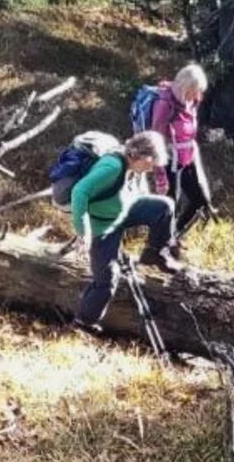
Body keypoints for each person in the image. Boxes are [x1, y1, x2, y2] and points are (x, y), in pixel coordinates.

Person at [72, 131, 183, 328]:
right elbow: (79, 192)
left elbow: (136, 194)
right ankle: (83, 323)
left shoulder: (133, 167)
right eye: (150, 163)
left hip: (122, 213)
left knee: (164, 206)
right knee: (107, 279)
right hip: (103, 226)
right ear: (140, 156)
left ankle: (154, 254)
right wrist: (84, 232)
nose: (151, 169)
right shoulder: (112, 166)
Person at [151, 63, 212, 259]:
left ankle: (173, 238)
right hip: (169, 161)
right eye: (196, 91)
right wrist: (160, 177)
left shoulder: (191, 102)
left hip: (186, 159)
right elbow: (156, 141)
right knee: (169, 206)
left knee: (199, 200)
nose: (199, 97)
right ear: (186, 86)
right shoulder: (165, 104)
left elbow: (189, 136)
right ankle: (158, 250)